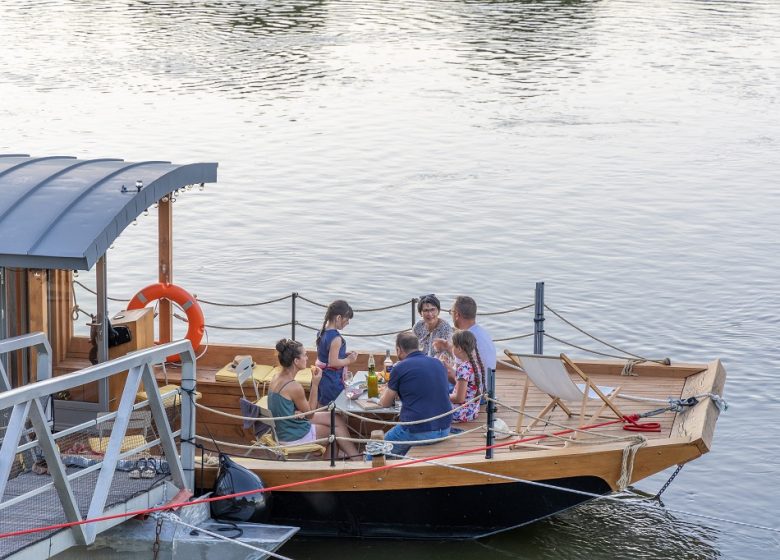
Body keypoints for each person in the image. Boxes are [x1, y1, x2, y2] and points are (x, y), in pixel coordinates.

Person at [267, 338, 358, 459]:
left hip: (283, 428)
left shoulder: (276, 377)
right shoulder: (293, 386)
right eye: (304, 355)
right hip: (292, 435)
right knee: (334, 433)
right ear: (296, 361)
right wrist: (315, 384)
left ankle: (355, 457)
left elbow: (288, 406)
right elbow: (310, 414)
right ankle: (335, 466)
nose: (307, 358)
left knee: (335, 418)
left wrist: (296, 411)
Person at [377, 331, 452, 456]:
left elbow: (385, 403)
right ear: (418, 347)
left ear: (399, 349)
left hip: (419, 430)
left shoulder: (400, 367)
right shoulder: (438, 363)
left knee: (375, 451)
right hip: (444, 428)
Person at [434, 295, 497, 373]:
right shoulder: (483, 334)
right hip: (488, 383)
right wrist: (448, 347)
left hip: (474, 384)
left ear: (457, 315)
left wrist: (443, 364)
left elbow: (458, 377)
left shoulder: (464, 339)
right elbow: (467, 357)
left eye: (452, 312)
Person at [315, 300, 358, 406]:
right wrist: (349, 360)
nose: (348, 322)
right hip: (332, 380)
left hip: (321, 378)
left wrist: (343, 355)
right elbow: (333, 362)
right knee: (335, 410)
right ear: (338, 318)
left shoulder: (321, 332)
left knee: (322, 407)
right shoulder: (336, 338)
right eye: (347, 319)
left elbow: (326, 356)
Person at [447, 330, 485, 423]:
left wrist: (442, 396)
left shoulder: (463, 368)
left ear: (459, 349)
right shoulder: (476, 364)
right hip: (472, 411)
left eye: (453, 346)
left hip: (460, 413)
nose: (452, 349)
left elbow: (459, 398)